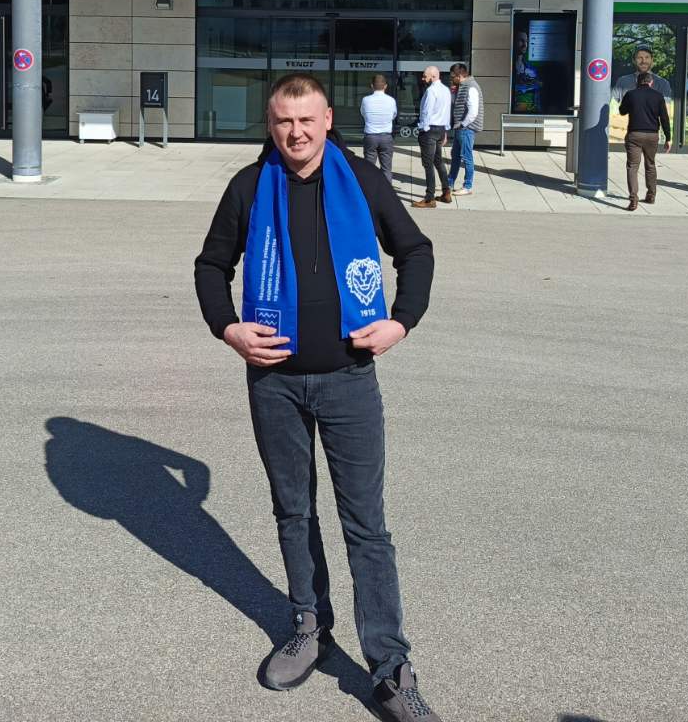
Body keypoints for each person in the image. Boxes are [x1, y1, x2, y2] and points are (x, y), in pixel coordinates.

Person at [192, 73, 443, 722]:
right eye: (283, 121)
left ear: (328, 120)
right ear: (270, 125)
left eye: (306, 120)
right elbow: (211, 265)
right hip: (274, 382)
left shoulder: (361, 181)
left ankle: (389, 667)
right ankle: (310, 625)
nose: (295, 132)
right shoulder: (250, 187)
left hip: (349, 380)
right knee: (293, 511)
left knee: (367, 526)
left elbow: (415, 251)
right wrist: (228, 328)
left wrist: (401, 321)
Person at [617, 70, 671, 211]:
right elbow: (664, 118)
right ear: (651, 82)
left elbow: (622, 111)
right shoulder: (658, 96)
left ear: (637, 82)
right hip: (652, 135)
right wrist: (668, 138)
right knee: (650, 165)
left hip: (634, 134)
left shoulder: (631, 94)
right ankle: (651, 195)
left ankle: (633, 200)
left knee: (632, 167)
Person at [413, 64, 451, 209]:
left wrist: (423, 129)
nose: (423, 78)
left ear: (433, 76)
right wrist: (445, 130)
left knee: (428, 164)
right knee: (438, 162)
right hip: (440, 129)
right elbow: (447, 112)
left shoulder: (431, 91)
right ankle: (446, 192)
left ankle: (429, 198)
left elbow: (426, 112)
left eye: (425, 76)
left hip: (430, 130)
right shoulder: (446, 90)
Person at [445, 62, 482, 197]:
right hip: (461, 128)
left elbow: (473, 111)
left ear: (459, 76)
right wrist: (453, 92)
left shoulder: (471, 87)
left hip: (466, 128)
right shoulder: (462, 86)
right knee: (455, 155)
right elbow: (457, 104)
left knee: (467, 157)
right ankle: (449, 183)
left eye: (452, 76)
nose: (451, 79)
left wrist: (463, 124)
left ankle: (467, 186)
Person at [359, 74, 398, 184]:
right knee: (386, 169)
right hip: (386, 137)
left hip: (370, 136)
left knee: (369, 168)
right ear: (385, 86)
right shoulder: (391, 100)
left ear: (372, 86)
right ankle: (387, 192)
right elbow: (394, 115)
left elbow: (363, 113)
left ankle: (369, 191)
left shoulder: (366, 100)